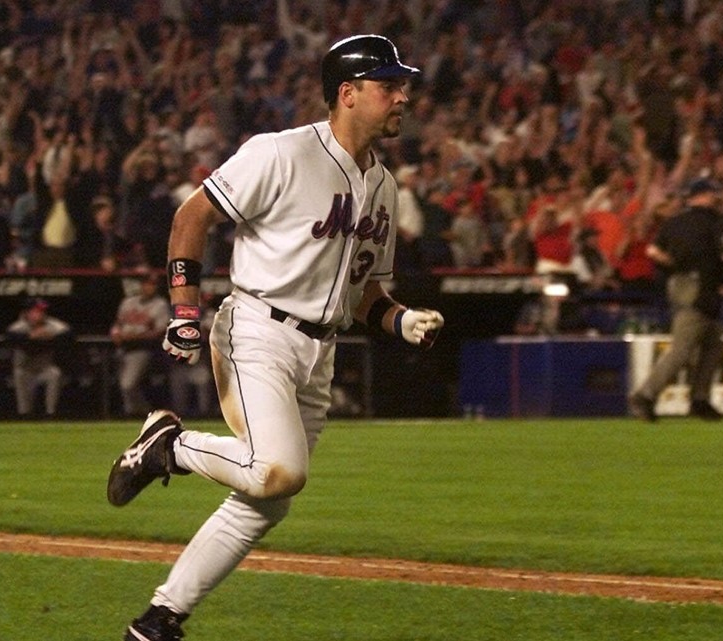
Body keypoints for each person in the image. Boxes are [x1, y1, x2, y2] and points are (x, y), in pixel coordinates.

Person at [105, 34, 444, 641]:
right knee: (280, 471)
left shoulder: (385, 186)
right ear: (348, 93)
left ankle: (159, 619)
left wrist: (400, 319)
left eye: (402, 84)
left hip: (322, 348)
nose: (403, 96)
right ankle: (170, 445)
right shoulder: (281, 153)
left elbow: (367, 295)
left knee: (267, 499)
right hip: (259, 327)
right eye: (389, 84)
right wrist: (185, 307)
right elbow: (192, 217)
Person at [629, 178, 723, 422]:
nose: (716, 198)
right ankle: (645, 395)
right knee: (682, 349)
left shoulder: (674, 222)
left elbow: (652, 251)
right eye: (712, 194)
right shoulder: (715, 221)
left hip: (680, 283)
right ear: (703, 195)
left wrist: (676, 265)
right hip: (703, 285)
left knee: (713, 345)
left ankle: (700, 399)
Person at [109, 272, 171, 417]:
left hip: (142, 349)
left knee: (127, 384)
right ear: (142, 285)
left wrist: (133, 336)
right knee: (123, 385)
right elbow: (118, 323)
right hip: (122, 348)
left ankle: (138, 413)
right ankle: (140, 412)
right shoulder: (128, 302)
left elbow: (159, 331)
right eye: (148, 284)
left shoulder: (160, 304)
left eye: (154, 284)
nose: (150, 287)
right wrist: (115, 333)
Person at [5, 298, 71, 418]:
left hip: (44, 368)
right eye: (36, 311)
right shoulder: (20, 326)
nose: (40, 314)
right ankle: (24, 415)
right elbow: (10, 336)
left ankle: (51, 414)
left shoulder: (51, 325)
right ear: (27, 313)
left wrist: (50, 338)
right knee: (19, 374)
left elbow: (69, 335)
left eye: (42, 311)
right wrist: (30, 336)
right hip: (25, 369)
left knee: (55, 374)